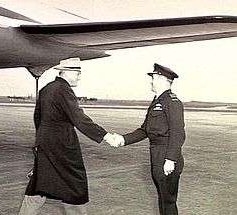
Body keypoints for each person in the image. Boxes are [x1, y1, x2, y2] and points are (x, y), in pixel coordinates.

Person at [18, 58, 116, 215]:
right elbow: (78, 118)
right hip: (62, 146)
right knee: (76, 184)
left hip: (45, 143)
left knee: (40, 183)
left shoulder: (46, 89)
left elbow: (37, 117)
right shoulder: (64, 90)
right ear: (67, 72)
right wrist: (105, 135)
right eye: (77, 73)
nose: (79, 76)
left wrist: (40, 142)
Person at [111, 63, 186, 215]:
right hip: (158, 156)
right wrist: (123, 139)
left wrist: (170, 159)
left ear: (162, 79)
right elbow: (144, 130)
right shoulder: (157, 101)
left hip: (166, 157)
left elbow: (178, 133)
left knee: (168, 202)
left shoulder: (172, 102)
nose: (151, 81)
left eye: (153, 78)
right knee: (163, 200)